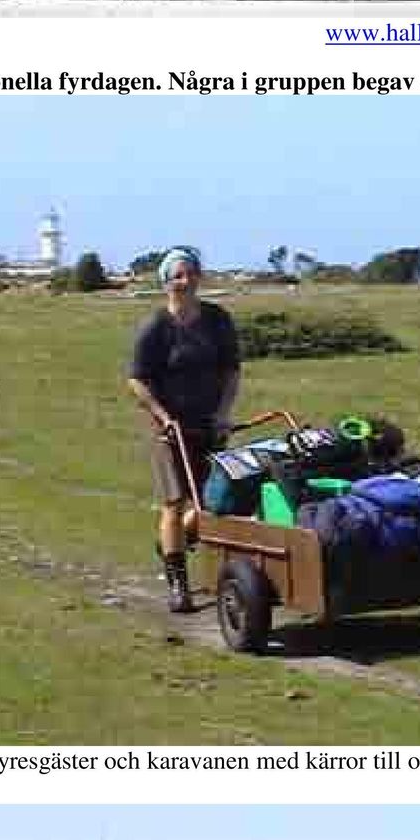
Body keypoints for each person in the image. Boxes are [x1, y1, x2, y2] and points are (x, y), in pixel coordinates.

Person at [128, 247, 241, 613]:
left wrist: (223, 412)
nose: (186, 281)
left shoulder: (217, 320)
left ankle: (172, 544)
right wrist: (163, 416)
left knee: (213, 499)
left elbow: (231, 371)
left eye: (191, 274)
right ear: (166, 282)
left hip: (209, 422)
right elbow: (137, 381)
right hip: (167, 428)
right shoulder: (155, 328)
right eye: (178, 275)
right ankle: (180, 586)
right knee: (175, 502)